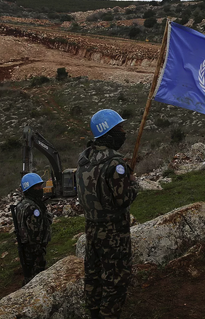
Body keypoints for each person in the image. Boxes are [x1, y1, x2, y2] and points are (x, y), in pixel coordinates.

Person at [76, 109, 138, 319]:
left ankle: (94, 313)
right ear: (108, 133)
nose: (123, 132)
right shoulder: (115, 164)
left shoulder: (84, 160)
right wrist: (133, 184)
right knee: (115, 279)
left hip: (91, 228)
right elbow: (123, 199)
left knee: (93, 275)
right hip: (113, 232)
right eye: (119, 128)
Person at [14, 172, 53, 285]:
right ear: (30, 189)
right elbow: (35, 232)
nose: (41, 188)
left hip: (26, 248)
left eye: (41, 185)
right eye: (37, 186)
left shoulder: (22, 204)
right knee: (36, 278)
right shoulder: (32, 208)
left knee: (30, 275)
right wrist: (39, 249)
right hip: (33, 250)